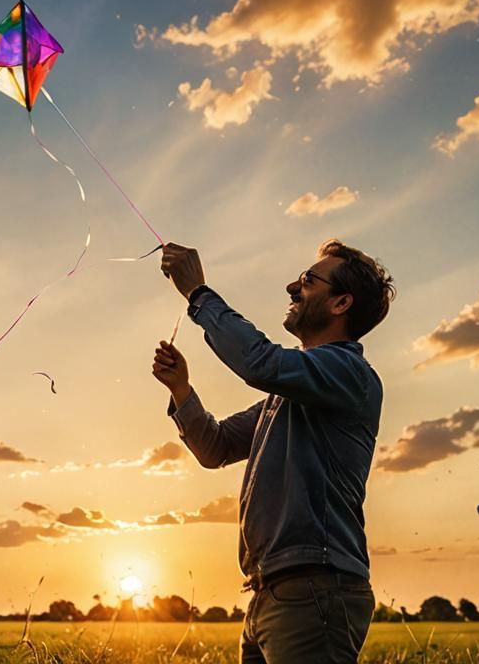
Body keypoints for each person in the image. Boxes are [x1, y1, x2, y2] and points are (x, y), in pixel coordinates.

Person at [152, 240, 395, 664]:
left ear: (341, 303)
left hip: (314, 591)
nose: (292, 287)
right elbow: (216, 448)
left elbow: (260, 362)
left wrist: (198, 294)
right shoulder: (285, 397)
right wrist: (181, 390)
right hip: (269, 593)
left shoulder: (350, 373)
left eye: (308, 280)